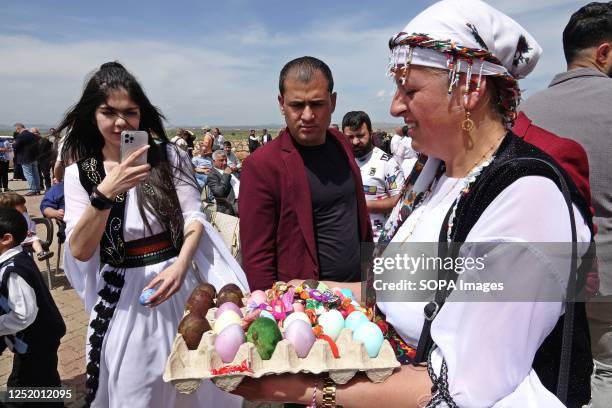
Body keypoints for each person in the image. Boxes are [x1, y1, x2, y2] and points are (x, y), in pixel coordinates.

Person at [233, 1, 594, 406]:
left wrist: (305, 390)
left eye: (410, 90)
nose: (394, 106)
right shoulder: (434, 175)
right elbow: (401, 293)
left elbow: (460, 389)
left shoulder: (525, 200)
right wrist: (316, 290)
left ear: (471, 89)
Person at [56, 61, 247, 408]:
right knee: (137, 388)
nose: (120, 122)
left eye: (129, 112)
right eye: (108, 112)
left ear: (141, 114)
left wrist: (180, 265)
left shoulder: (168, 157)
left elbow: (193, 217)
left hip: (179, 283)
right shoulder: (80, 174)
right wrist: (105, 193)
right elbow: (81, 250)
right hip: (125, 298)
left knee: (195, 382)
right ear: (92, 115)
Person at [519, 3, 612, 406]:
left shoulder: (522, 112)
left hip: (541, 277)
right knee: (606, 373)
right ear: (604, 53)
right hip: (606, 278)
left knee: (550, 377)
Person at [239, 56, 372, 291]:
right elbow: (257, 257)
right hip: (307, 305)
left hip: (360, 292)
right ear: (282, 104)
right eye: (297, 105)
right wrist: (276, 312)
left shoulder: (341, 143)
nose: (308, 115)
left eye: (317, 104)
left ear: (332, 101)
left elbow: (357, 217)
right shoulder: (262, 165)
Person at [0, 207, 66, 405]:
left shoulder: (13, 271)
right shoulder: (16, 257)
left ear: (6, 239)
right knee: (46, 381)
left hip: (36, 341)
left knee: (24, 387)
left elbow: (22, 315)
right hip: (38, 338)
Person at [343, 111, 405, 241]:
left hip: (376, 239)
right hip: (347, 238)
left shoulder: (387, 163)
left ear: (371, 133)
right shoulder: (340, 161)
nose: (355, 141)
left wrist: (362, 204)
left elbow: (399, 201)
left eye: (360, 136)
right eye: (350, 137)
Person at [0, 192, 54, 261]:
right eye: (21, 206)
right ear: (12, 207)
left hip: (26, 236)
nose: (24, 207)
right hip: (16, 239)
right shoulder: (8, 218)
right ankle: (37, 253)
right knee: (34, 240)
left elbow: (31, 224)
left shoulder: (25, 214)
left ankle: (39, 254)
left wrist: (31, 230)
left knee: (35, 239)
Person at [206, 150, 239, 216]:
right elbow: (219, 193)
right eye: (221, 160)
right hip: (232, 203)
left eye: (225, 160)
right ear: (214, 161)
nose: (224, 163)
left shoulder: (229, 169)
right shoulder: (212, 175)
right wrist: (226, 175)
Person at [12, 123, 40, 196]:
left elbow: (15, 146)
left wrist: (13, 143)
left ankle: (32, 190)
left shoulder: (21, 136)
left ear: (19, 128)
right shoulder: (33, 135)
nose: (17, 131)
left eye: (17, 130)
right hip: (34, 157)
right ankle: (37, 189)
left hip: (25, 158)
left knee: (28, 174)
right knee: (35, 174)